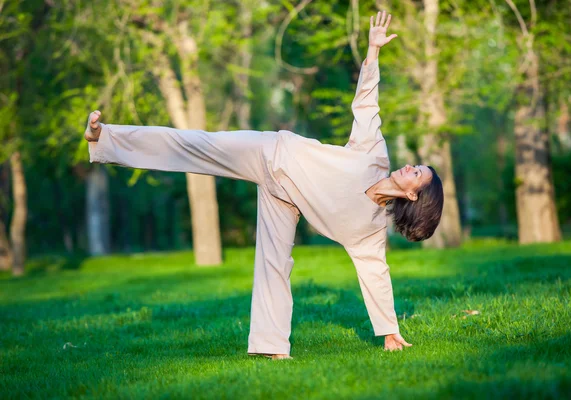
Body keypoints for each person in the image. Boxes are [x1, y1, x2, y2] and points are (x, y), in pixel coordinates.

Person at [84, 11, 443, 360]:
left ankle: (272, 347)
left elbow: (376, 275)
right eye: (416, 166)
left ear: (413, 195)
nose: (409, 166)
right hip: (270, 152)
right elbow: (367, 104)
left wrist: (390, 331)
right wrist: (374, 50)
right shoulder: (374, 155)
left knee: (274, 263)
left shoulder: (368, 233)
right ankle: (105, 139)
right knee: (195, 144)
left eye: (417, 174)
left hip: (285, 200)